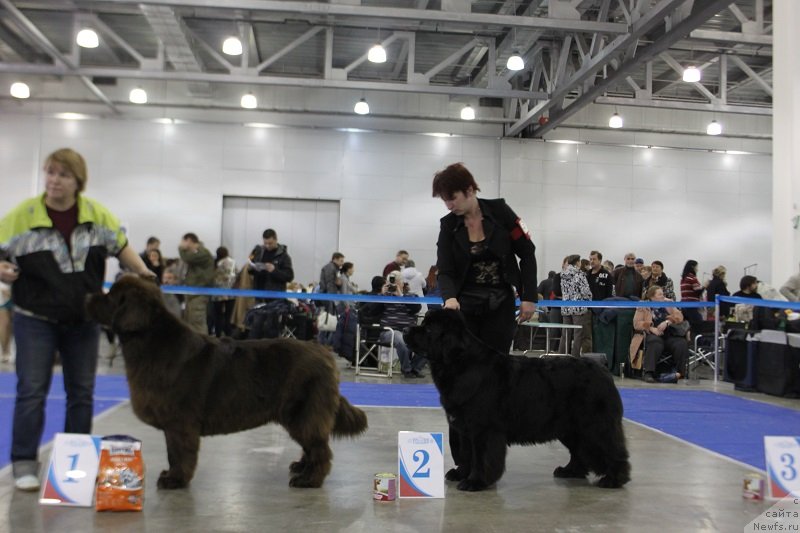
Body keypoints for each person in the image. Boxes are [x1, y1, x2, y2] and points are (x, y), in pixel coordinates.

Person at [0, 148, 153, 491]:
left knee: (81, 393)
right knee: (31, 391)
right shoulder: (21, 216)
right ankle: (24, 461)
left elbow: (121, 245)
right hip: (33, 319)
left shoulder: (96, 215)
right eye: (50, 173)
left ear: (78, 181)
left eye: (63, 175)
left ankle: (76, 467)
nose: (54, 181)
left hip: (83, 321)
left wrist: (144, 271)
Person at [432, 162, 538, 355]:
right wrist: (449, 298)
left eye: (452, 198)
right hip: (464, 306)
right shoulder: (448, 226)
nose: (449, 205)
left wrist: (529, 297)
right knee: (464, 367)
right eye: (445, 201)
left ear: (469, 190)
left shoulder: (501, 212)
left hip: (500, 304)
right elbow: (445, 269)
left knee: (497, 366)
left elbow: (527, 253)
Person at [360, 272, 426, 378]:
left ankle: (414, 369)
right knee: (400, 339)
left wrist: (401, 296)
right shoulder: (384, 297)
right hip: (388, 331)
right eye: (391, 283)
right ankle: (407, 370)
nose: (393, 286)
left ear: (402, 284)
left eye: (396, 283)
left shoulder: (412, 296)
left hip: (409, 331)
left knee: (427, 342)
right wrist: (381, 295)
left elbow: (416, 309)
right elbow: (369, 311)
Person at [631, 286, 689, 384]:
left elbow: (679, 316)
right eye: (660, 294)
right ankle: (648, 373)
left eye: (663, 294)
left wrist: (668, 321)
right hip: (652, 334)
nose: (663, 296)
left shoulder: (668, 303)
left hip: (668, 334)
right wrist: (650, 328)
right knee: (655, 342)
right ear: (652, 297)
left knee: (681, 343)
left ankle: (680, 373)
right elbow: (636, 323)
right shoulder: (643, 305)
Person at [178, 233, 215, 334]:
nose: (182, 244)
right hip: (192, 293)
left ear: (189, 240)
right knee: (190, 321)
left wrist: (181, 248)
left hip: (199, 293)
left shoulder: (203, 252)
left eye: (183, 241)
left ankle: (204, 346)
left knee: (197, 322)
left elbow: (187, 258)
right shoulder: (196, 253)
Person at [559, 254, 593, 357]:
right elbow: (585, 291)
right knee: (578, 334)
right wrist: (590, 297)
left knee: (565, 334)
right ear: (578, 262)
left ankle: (562, 356)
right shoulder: (579, 274)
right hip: (578, 308)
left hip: (566, 307)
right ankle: (575, 357)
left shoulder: (563, 274)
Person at [249, 229, 294, 297]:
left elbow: (289, 276)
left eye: (270, 243)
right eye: (265, 243)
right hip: (258, 294)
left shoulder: (284, 256)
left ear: (276, 240)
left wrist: (274, 271)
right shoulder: (258, 252)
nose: (267, 246)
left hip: (275, 297)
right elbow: (250, 270)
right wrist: (252, 267)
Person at [211, 246, 236, 337]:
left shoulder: (214, 263)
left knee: (217, 316)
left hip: (217, 293)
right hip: (230, 293)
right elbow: (235, 276)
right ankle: (228, 334)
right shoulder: (231, 262)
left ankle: (218, 334)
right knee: (228, 316)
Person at [679, 259, 706, 333]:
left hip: (684, 305)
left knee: (688, 326)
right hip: (692, 305)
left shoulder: (684, 278)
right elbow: (697, 291)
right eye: (697, 267)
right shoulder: (692, 278)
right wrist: (705, 286)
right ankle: (698, 343)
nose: (698, 269)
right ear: (693, 267)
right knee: (698, 324)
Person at [0, 280, 12, 363]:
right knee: (4, 322)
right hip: (3, 286)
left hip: (19, 286)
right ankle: (5, 351)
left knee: (15, 322)